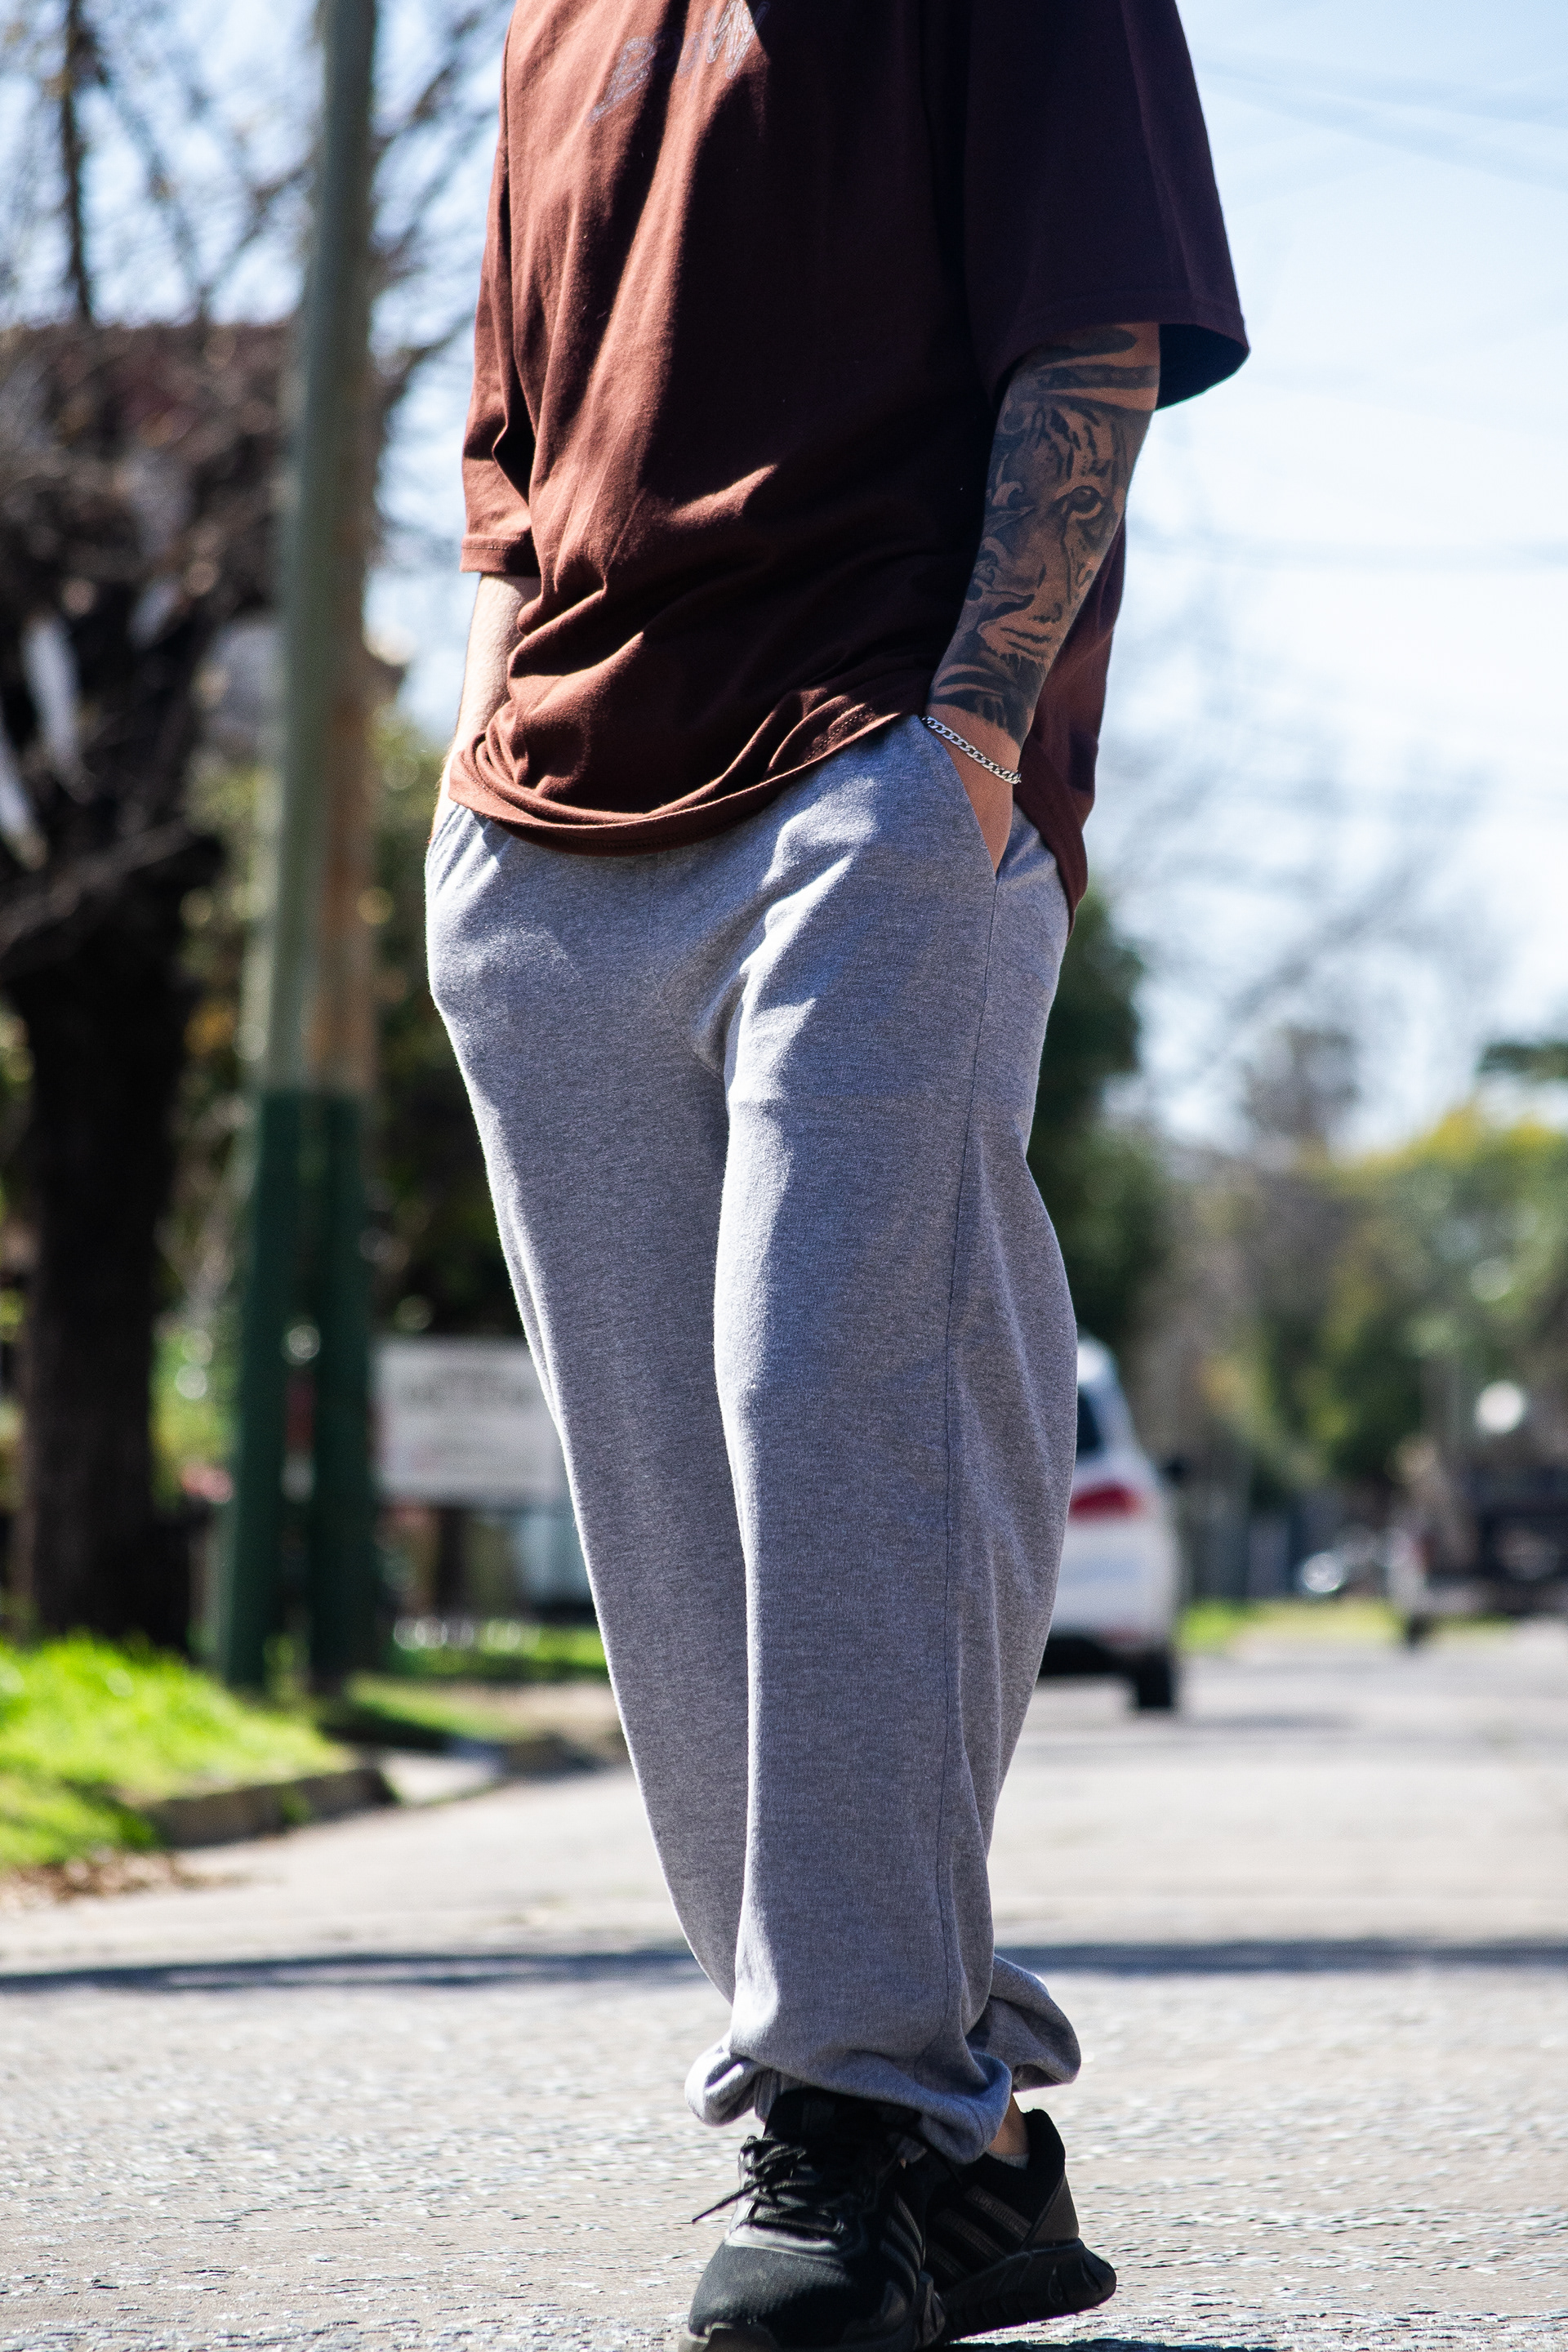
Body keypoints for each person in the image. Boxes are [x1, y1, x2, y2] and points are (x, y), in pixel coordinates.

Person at [428, 5, 1245, 2347]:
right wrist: (466, 791)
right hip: (545, 824)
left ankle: (850, 2108)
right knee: (666, 1505)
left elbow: (1096, 337)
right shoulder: (553, 21)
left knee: (838, 1414)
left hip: (875, 764)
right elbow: (511, 453)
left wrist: (968, 745)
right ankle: (949, 2144)